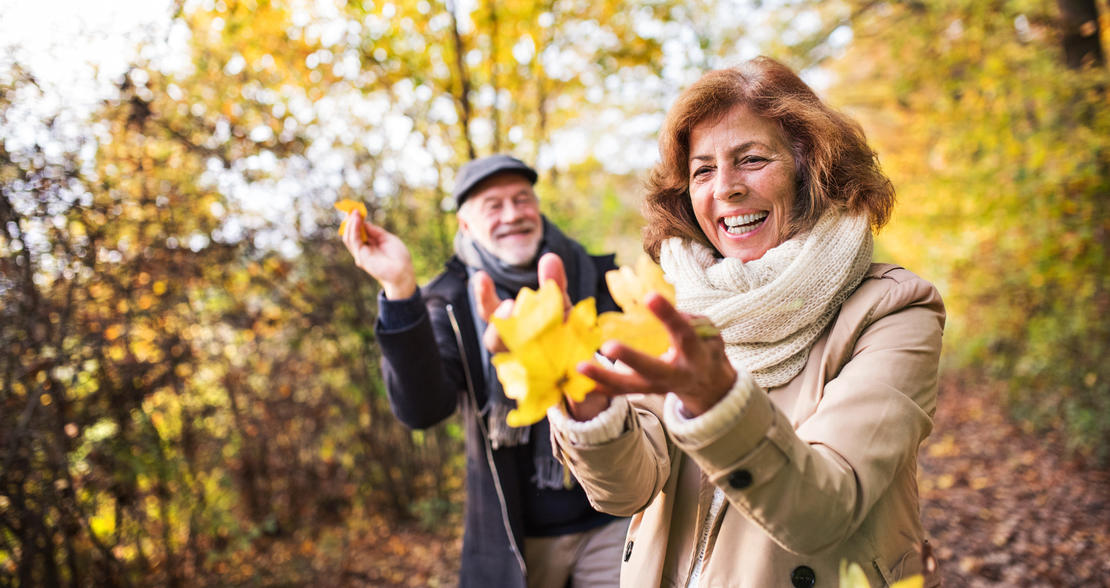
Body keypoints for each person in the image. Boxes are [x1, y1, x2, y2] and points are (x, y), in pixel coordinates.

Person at [523, 57, 944, 587]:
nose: (725, 187)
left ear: (810, 169)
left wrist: (717, 402)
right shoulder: (673, 307)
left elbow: (823, 510)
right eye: (703, 169)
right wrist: (588, 402)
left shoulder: (894, 309)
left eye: (750, 159)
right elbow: (625, 492)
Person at [341, 154, 627, 588]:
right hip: (519, 539)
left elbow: (632, 383)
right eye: (493, 205)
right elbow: (422, 410)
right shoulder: (448, 301)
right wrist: (400, 288)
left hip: (615, 516)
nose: (513, 215)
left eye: (522, 199)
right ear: (465, 224)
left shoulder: (595, 275)